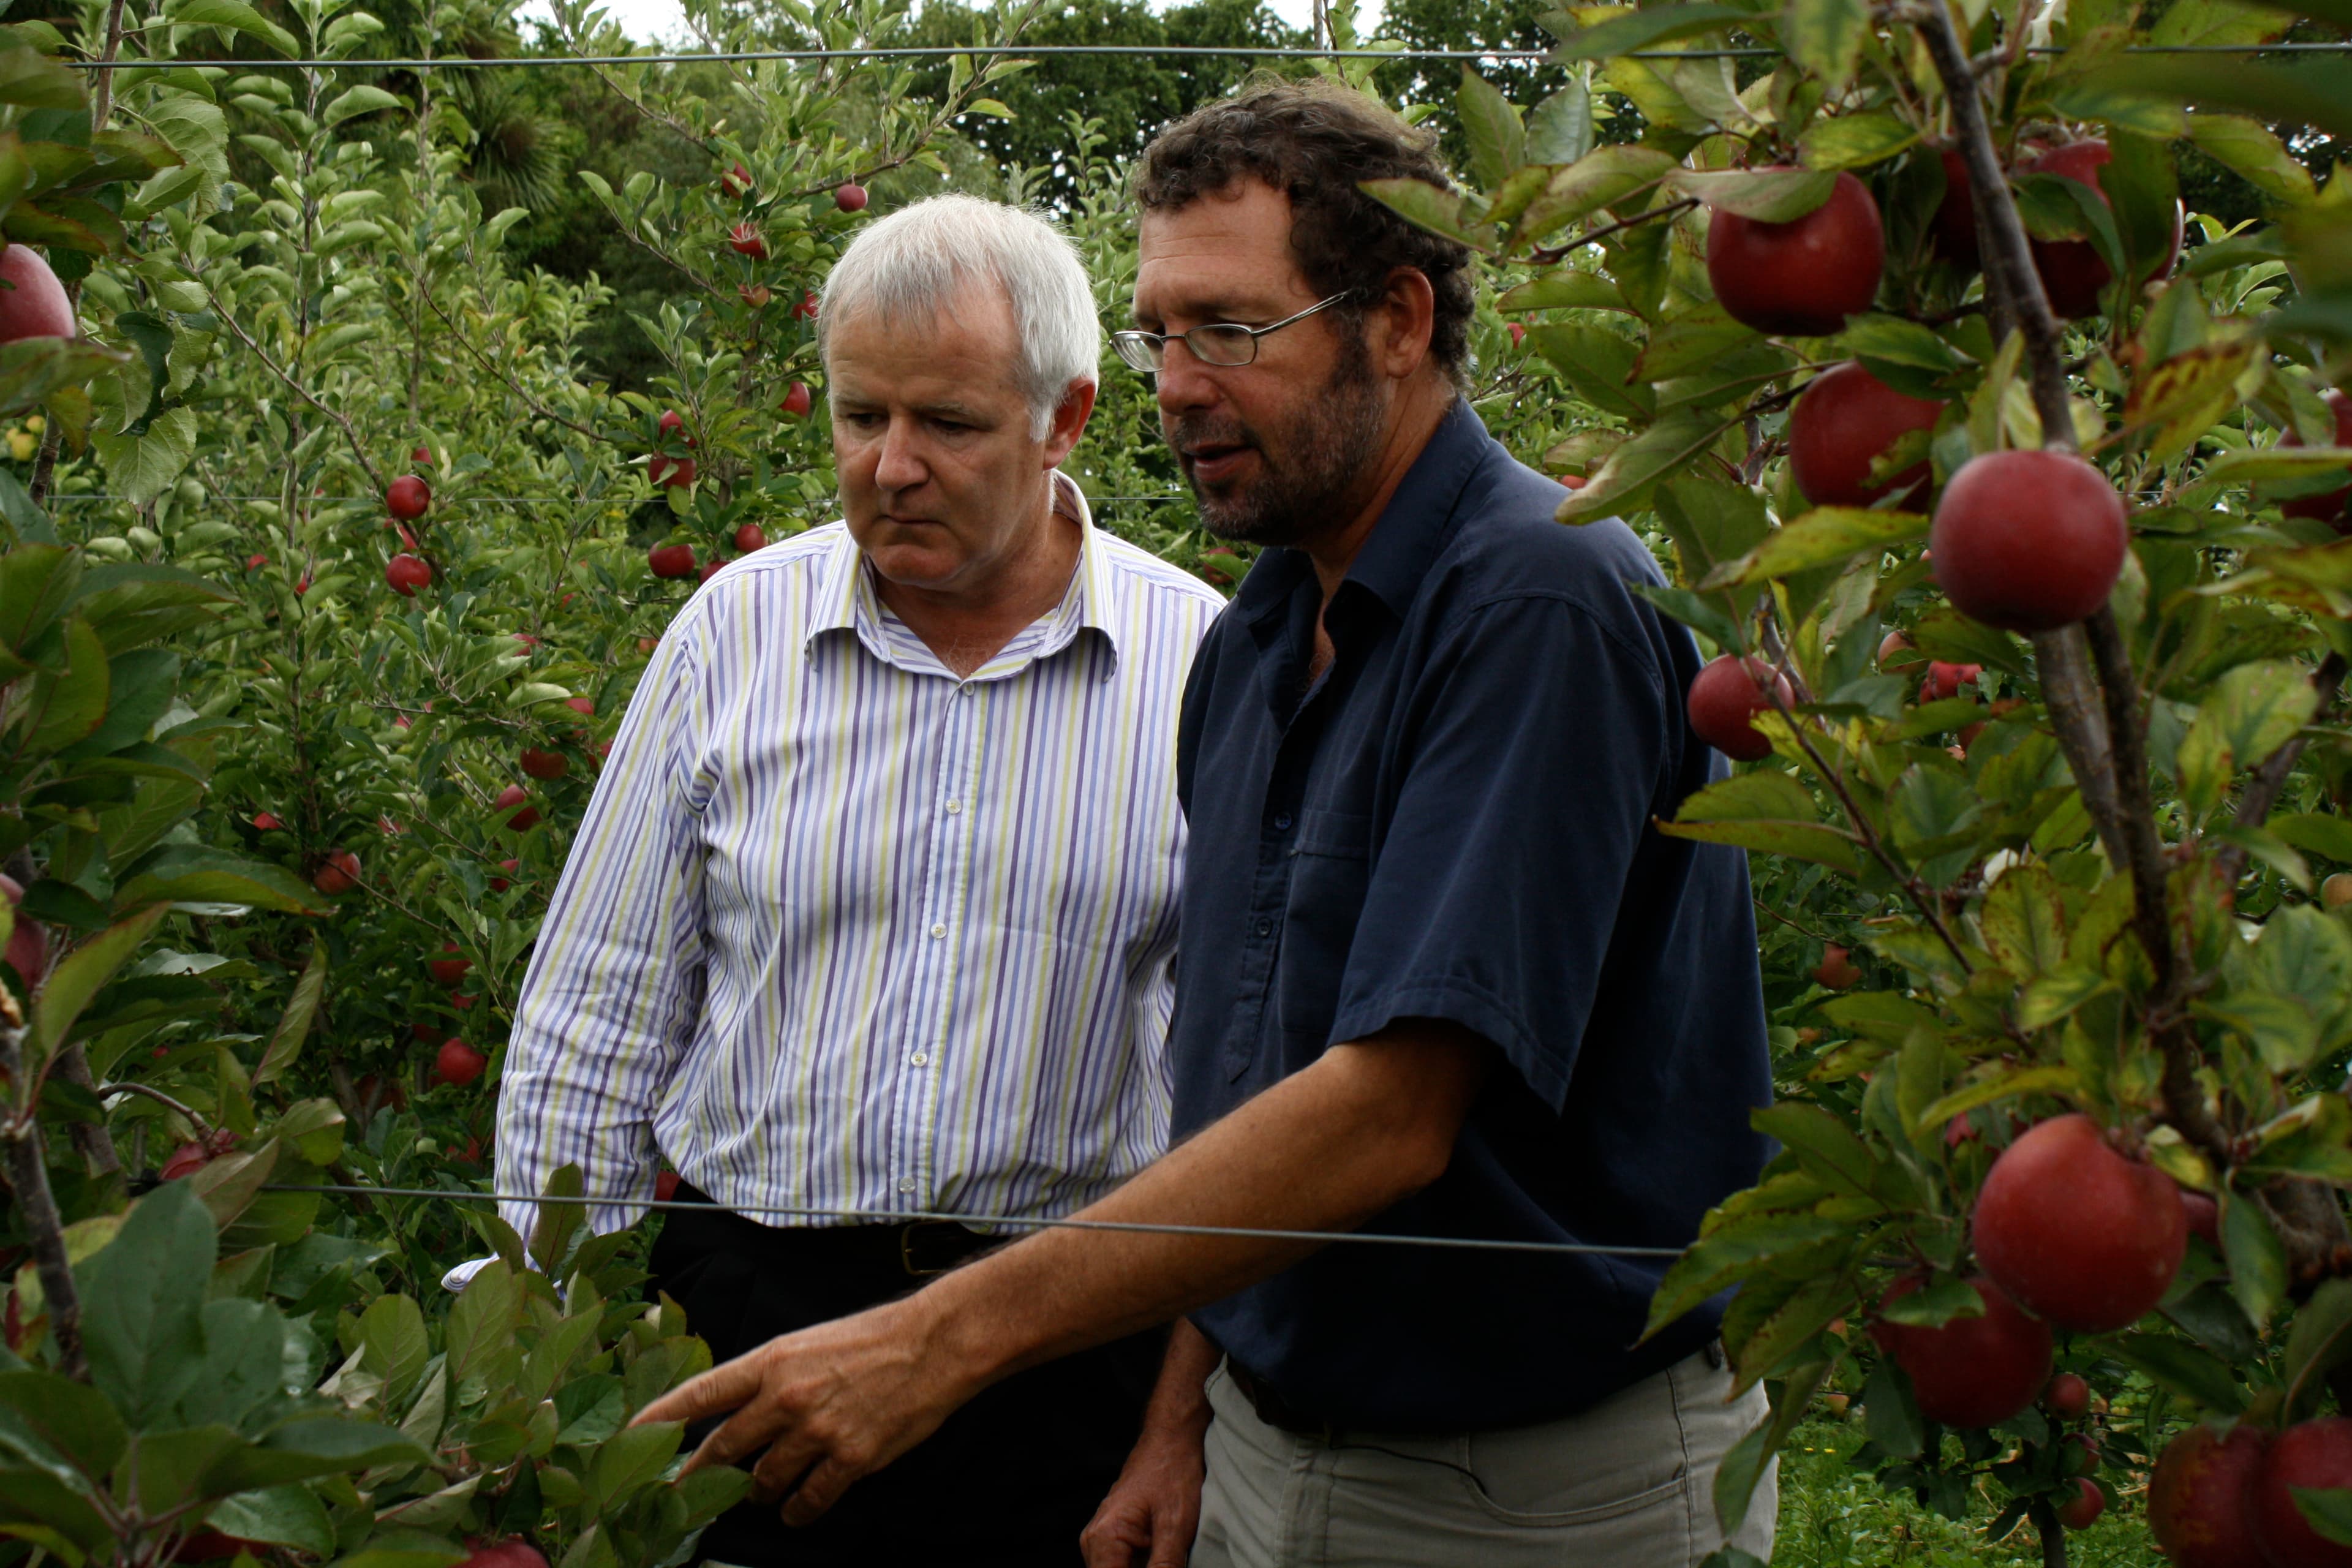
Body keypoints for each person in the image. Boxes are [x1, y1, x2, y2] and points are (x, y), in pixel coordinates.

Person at [634, 81, 1777, 1568]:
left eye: (1231, 330)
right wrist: (1182, 1420)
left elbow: (1390, 1111)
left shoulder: (1539, 601)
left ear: (1401, 321)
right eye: (1157, 331)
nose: (1176, 383)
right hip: (1274, 1452)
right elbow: (1235, 1078)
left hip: (1541, 1489)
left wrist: (935, 1340)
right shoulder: (1250, 652)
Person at [487, 192, 1227, 1567]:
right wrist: (553, 1353)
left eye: (946, 423)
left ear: (1064, 419)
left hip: (1057, 1343)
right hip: (748, 1311)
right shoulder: (735, 632)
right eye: (856, 415)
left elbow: (1237, 1088)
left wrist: (1179, 1420)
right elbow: (594, 1022)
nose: (889, 466)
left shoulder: (1200, 664)